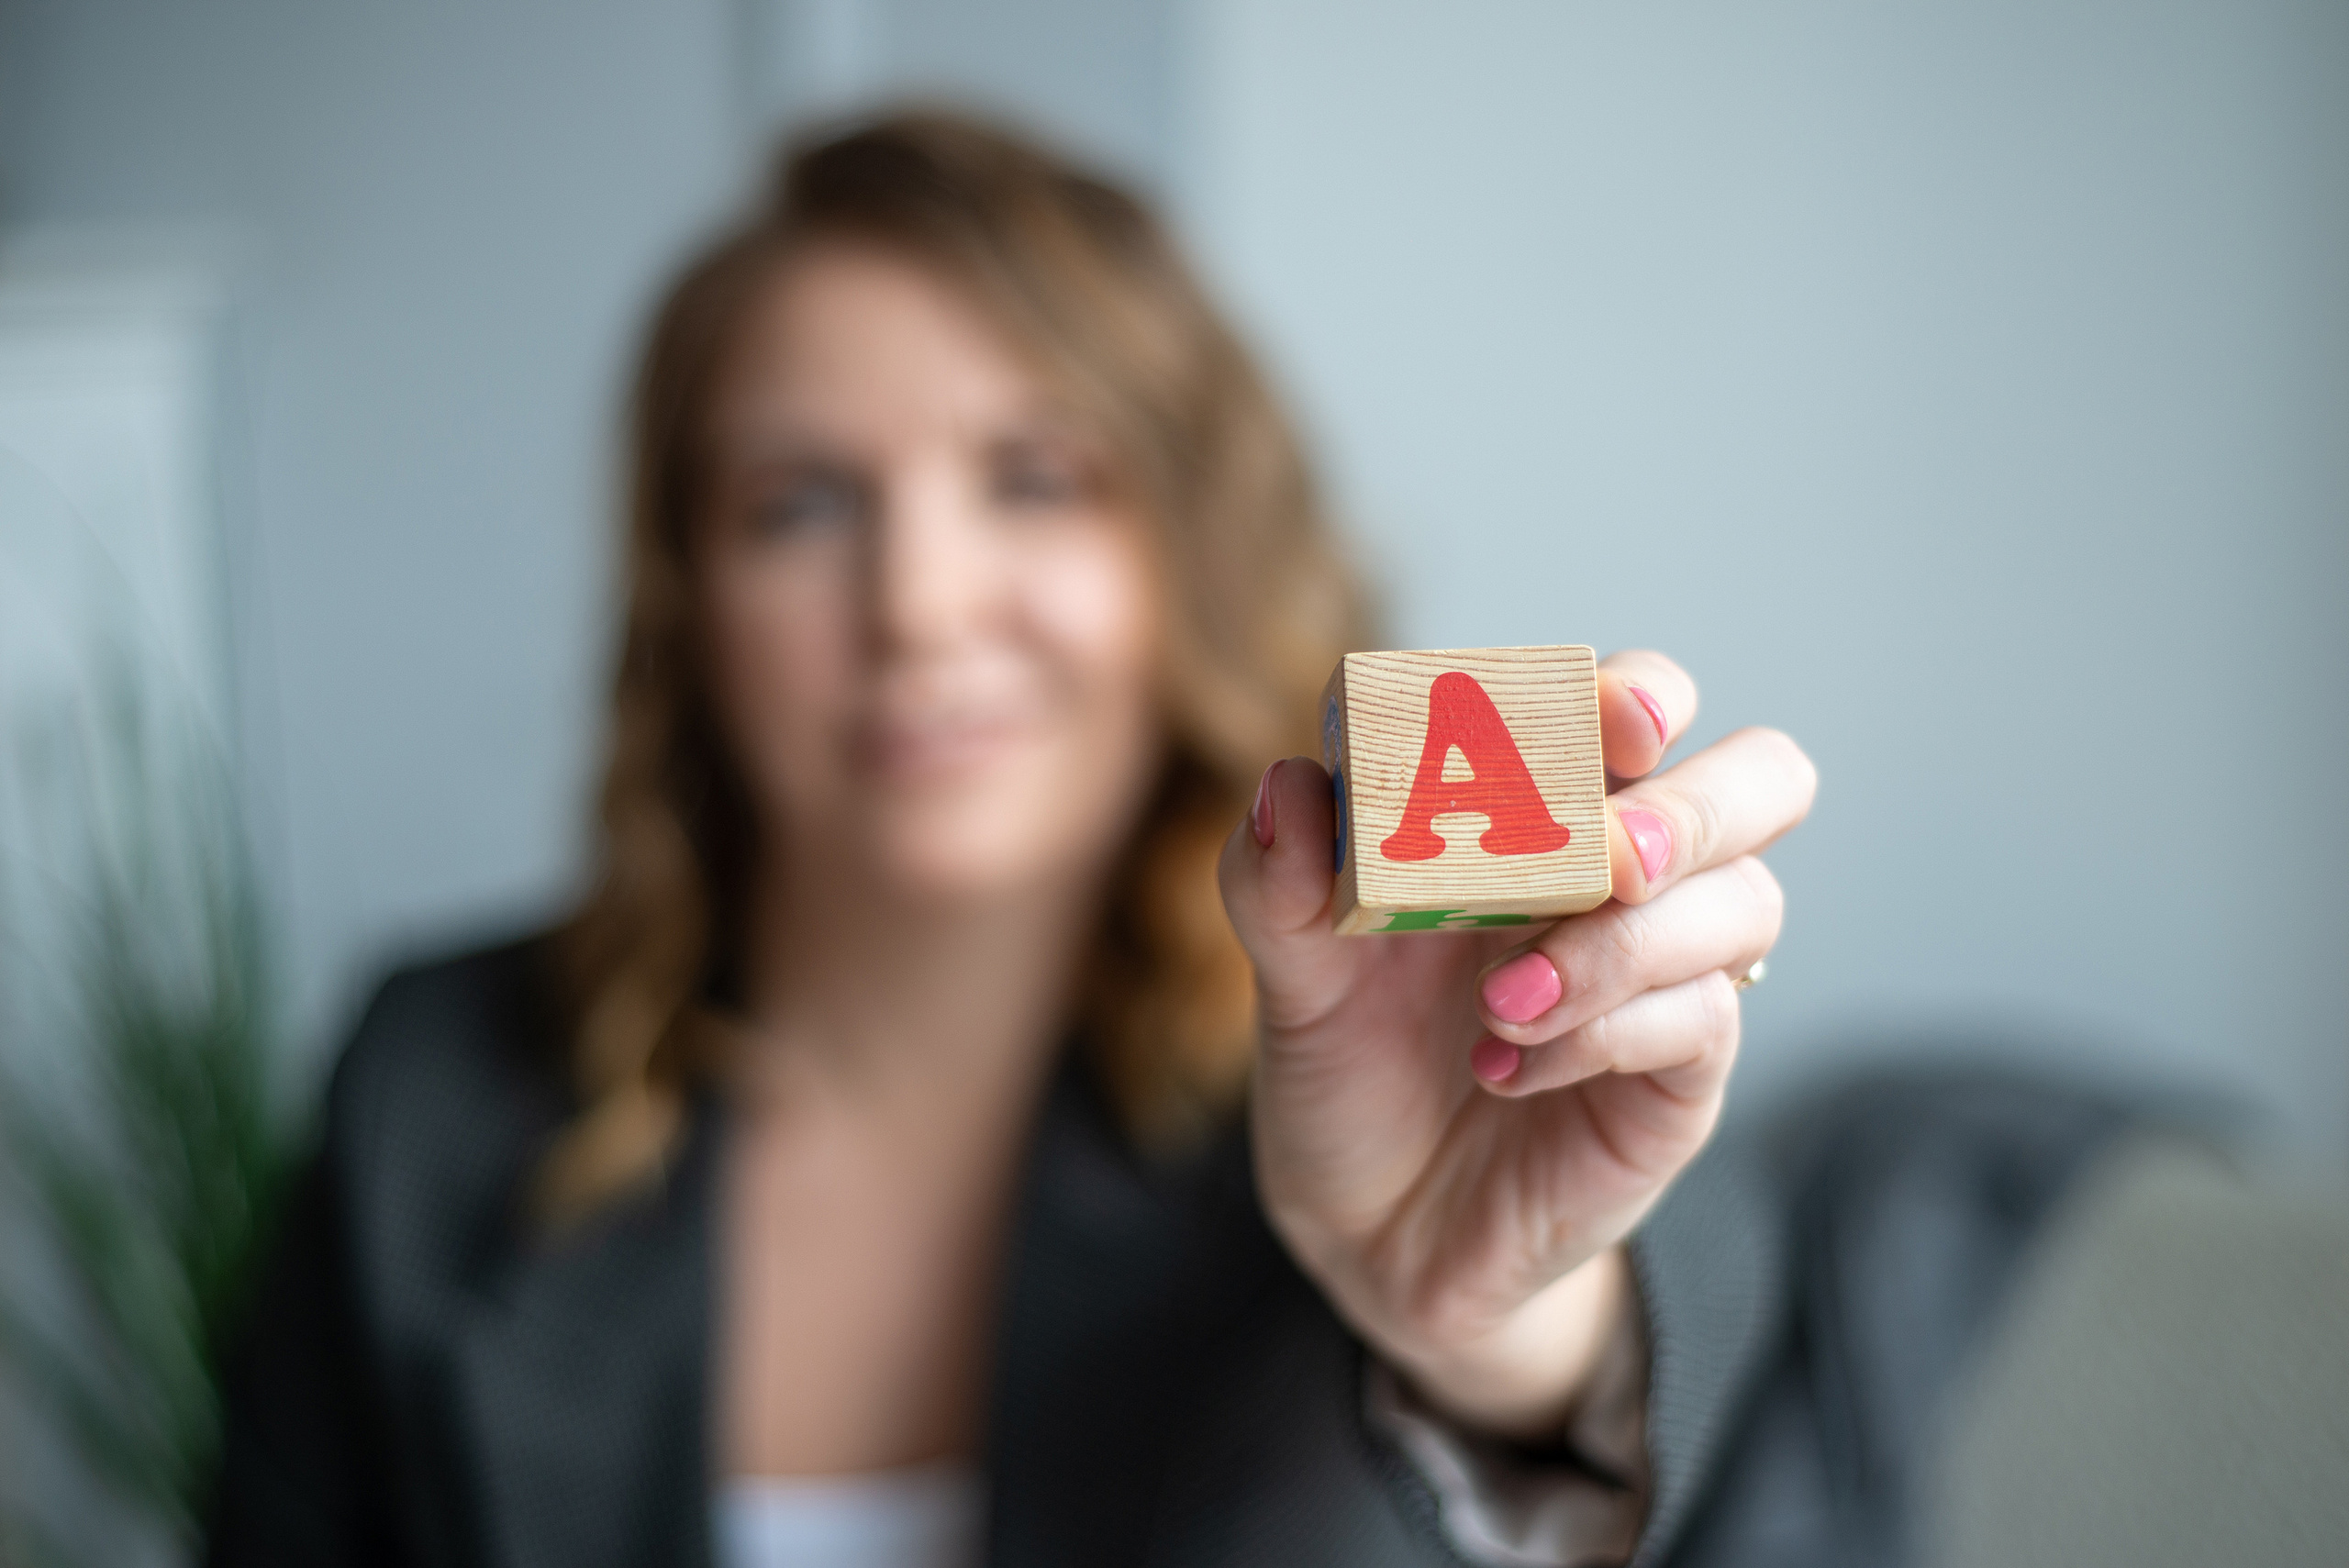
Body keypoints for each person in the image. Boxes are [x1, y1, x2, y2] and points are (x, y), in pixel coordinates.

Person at [208, 110, 2115, 1568]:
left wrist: (1506, 1330)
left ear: (1189, 555)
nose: (920, 603)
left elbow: (1697, 1340)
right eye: (800, 506)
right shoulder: (430, 1084)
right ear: (685, 599)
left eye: (1033, 479)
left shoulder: (1384, 1038)